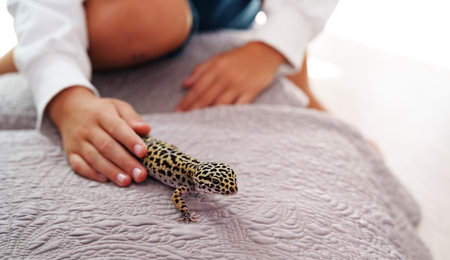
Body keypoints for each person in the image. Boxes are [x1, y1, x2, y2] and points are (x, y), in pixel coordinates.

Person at [1, 0, 338, 186]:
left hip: (230, 10)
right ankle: (31, 53)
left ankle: (300, 84)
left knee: (290, 36)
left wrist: (272, 47)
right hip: (137, 12)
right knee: (149, 19)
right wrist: (65, 93)